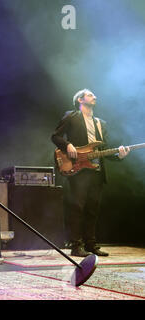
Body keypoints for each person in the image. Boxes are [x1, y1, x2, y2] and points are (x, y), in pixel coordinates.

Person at [51, 89, 130, 257]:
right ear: (80, 99)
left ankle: (91, 244)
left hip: (96, 171)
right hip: (78, 169)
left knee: (92, 209)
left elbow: (104, 151)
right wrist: (67, 145)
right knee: (77, 207)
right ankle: (76, 245)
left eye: (94, 95)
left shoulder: (101, 123)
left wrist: (119, 155)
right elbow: (55, 137)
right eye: (90, 94)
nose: (94, 96)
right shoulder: (71, 116)